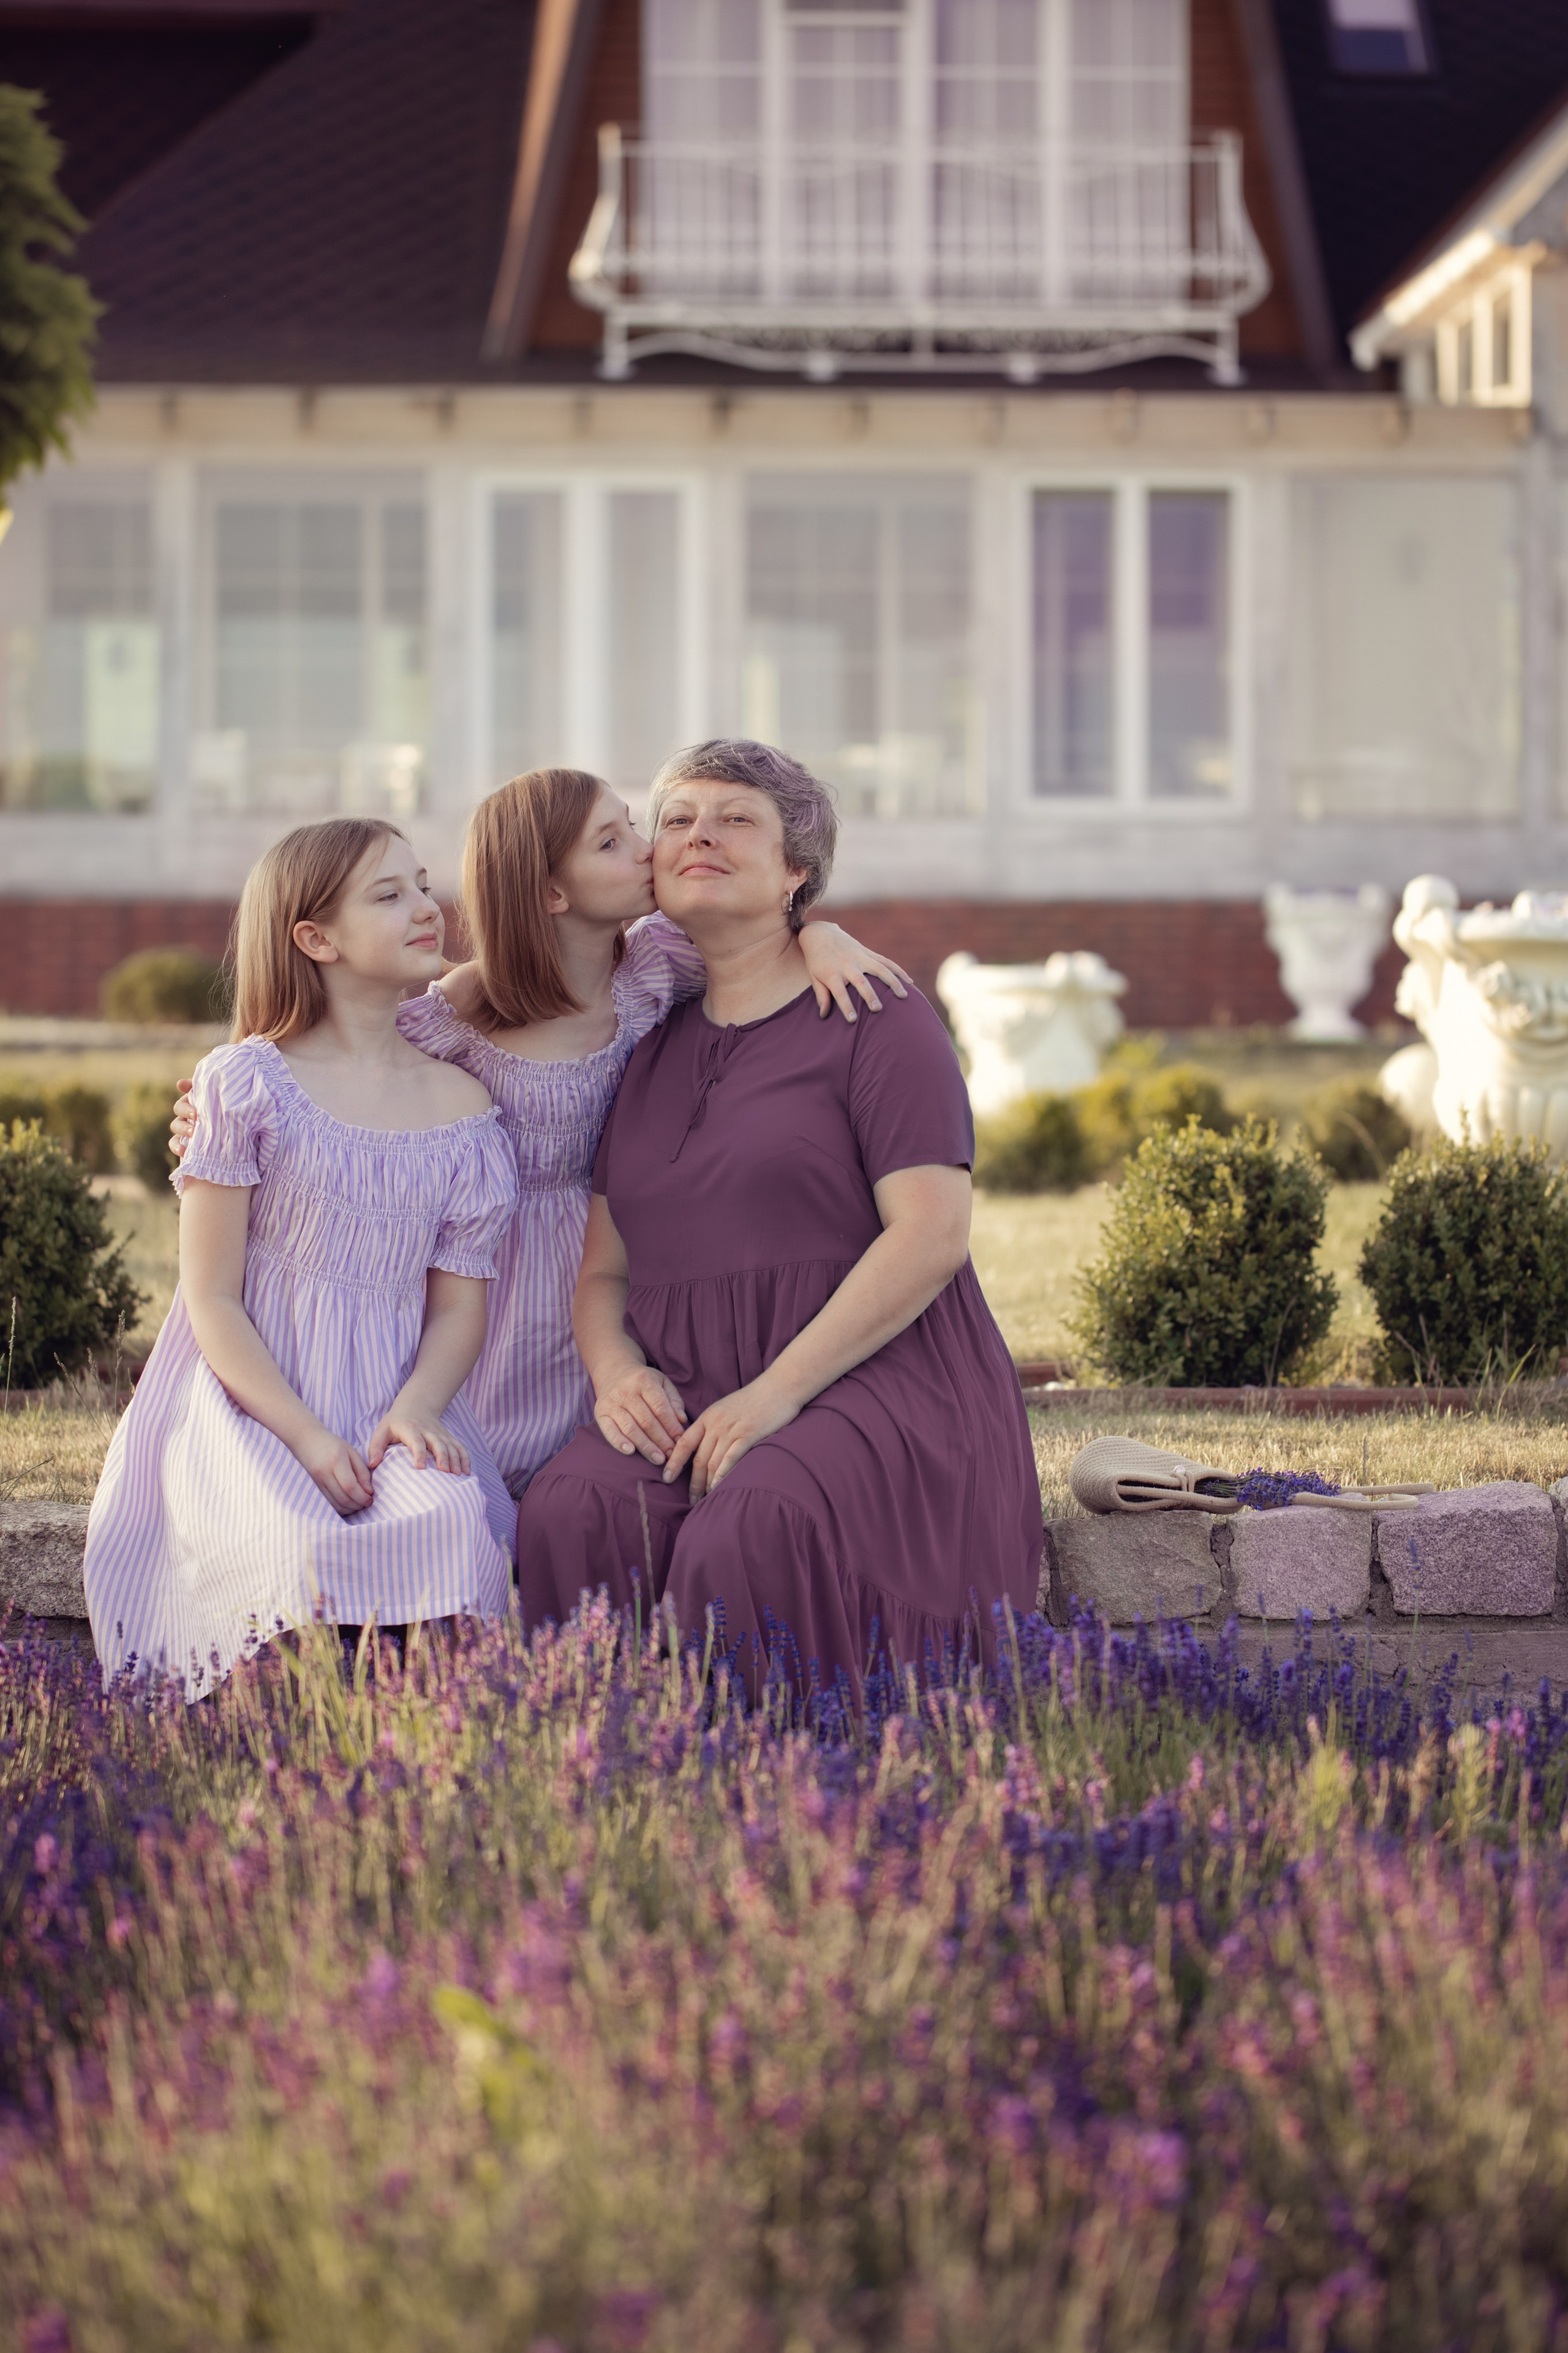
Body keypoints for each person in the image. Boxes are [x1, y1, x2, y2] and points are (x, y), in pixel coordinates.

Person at [172, 769, 908, 1498]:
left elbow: (754, 941)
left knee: (612, 1452)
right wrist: (212, 1126)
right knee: (488, 1468)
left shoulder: (656, 965)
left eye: (633, 828)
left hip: (617, 1260)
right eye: (612, 842)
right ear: (554, 893)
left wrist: (821, 935)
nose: (651, 848)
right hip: (489, 1280)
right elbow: (341, 1078)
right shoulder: (455, 1019)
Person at [516, 739, 1044, 1700]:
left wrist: (774, 1396)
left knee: (756, 1527)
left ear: (797, 870)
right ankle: (599, 1760)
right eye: (677, 820)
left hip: (878, 1378)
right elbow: (603, 1272)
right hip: (691, 1383)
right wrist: (616, 1372)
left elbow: (931, 1234)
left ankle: (788, 1766)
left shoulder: (877, 1014)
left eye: (737, 819)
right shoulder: (647, 1044)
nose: (699, 835)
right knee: (573, 1510)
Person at [86, 818, 519, 1696]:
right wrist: (308, 1437)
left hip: (394, 1398)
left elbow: (457, 1307)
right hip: (254, 1401)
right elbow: (211, 1296)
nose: (426, 907)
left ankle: (423, 1743)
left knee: (445, 1522)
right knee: (289, 1544)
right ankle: (273, 1737)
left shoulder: (464, 1108)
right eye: (388, 894)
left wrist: (416, 1410)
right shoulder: (246, 1084)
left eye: (422, 883)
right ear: (316, 939)